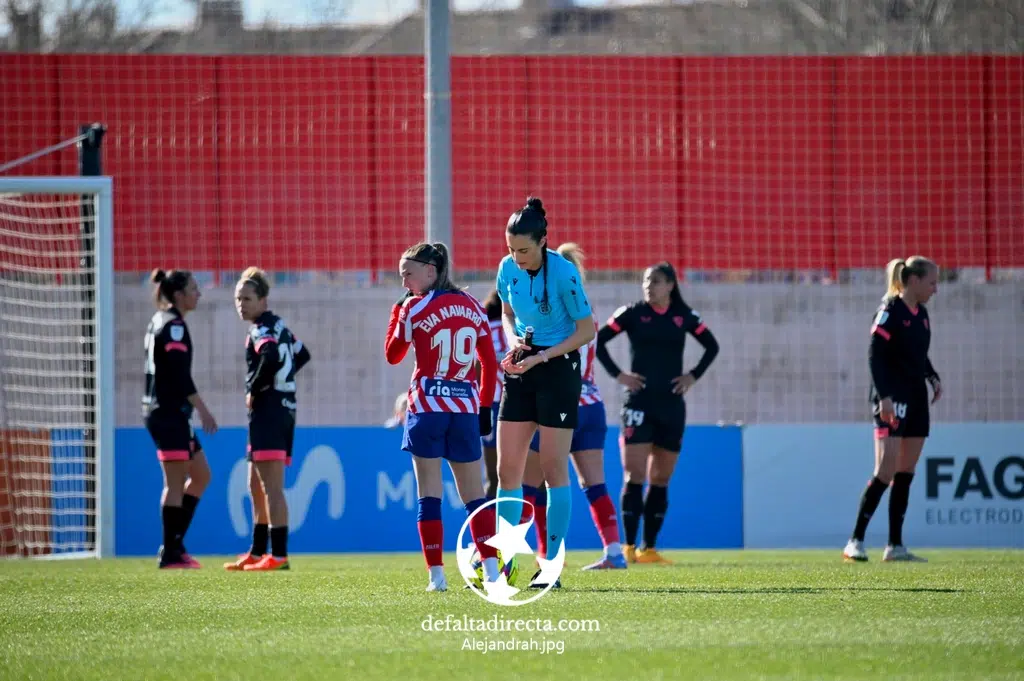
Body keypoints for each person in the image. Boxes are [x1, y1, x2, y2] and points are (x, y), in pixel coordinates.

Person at [384, 242, 502, 593]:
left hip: (427, 407)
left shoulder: (415, 307)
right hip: (464, 409)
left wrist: (397, 313)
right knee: (475, 497)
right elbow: (490, 364)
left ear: (431, 271)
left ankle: (437, 577)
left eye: (408, 273)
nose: (404, 281)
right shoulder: (473, 306)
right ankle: (492, 572)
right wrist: (483, 408)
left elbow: (393, 355)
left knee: (429, 495)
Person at [495, 197, 596, 590]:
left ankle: (551, 567)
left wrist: (543, 357)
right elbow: (506, 312)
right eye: (510, 249)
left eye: (524, 249)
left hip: (559, 368)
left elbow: (586, 331)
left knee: (554, 469)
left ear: (542, 242)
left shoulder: (564, 273)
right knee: (507, 470)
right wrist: (513, 341)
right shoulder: (506, 268)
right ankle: (504, 564)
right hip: (523, 363)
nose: (516, 257)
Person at [595, 262, 719, 564]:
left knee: (661, 477)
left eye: (656, 281)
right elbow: (597, 341)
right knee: (634, 474)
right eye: (646, 281)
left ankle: (649, 548)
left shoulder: (684, 317)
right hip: (638, 404)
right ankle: (626, 546)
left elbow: (711, 346)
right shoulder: (632, 313)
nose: (649, 286)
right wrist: (619, 375)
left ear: (670, 286)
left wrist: (692, 376)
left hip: (671, 407)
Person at [522, 243, 626, 571]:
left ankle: (503, 552)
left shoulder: (552, 310)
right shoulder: (586, 310)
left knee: (527, 485)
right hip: (591, 404)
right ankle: (614, 552)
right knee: (594, 484)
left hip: (559, 404)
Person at [843, 256, 941, 563]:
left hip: (916, 399)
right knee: (885, 470)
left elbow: (917, 354)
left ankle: (894, 546)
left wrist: (933, 377)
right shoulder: (890, 311)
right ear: (914, 280)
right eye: (932, 282)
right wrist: (883, 396)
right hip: (891, 398)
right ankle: (855, 541)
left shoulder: (921, 314)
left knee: (905, 472)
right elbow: (875, 355)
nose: (935, 289)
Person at [224, 267, 312, 572]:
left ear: (263, 300)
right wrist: (283, 383)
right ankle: (258, 550)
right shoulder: (278, 324)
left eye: (247, 298)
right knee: (256, 484)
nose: (241, 304)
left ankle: (279, 554)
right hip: (281, 409)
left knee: (271, 486)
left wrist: (256, 388)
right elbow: (301, 355)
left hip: (269, 411)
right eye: (238, 298)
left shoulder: (262, 328)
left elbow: (272, 356)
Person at [142, 268, 218, 569]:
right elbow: (177, 374)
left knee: (201, 476)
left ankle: (174, 546)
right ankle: (171, 553)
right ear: (178, 295)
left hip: (172, 414)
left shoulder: (162, 321)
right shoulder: (172, 326)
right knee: (175, 483)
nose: (198, 294)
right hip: (168, 414)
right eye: (193, 288)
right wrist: (203, 408)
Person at [480, 289, 508, 500]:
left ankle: (488, 533)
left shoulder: (484, 330)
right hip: (518, 408)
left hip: (489, 407)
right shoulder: (520, 330)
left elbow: (473, 370)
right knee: (530, 480)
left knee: (493, 480)